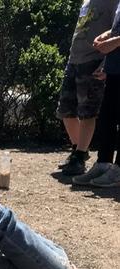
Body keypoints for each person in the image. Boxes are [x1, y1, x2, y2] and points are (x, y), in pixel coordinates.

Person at [56, 0, 118, 177]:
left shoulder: (113, 2)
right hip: (74, 60)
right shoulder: (86, 1)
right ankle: (78, 150)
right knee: (65, 111)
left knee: (87, 111)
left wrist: (107, 63)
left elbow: (115, 30)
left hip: (94, 61)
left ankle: (80, 155)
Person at [74, 0, 120, 186]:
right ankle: (103, 164)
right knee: (107, 117)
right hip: (116, 66)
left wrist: (115, 41)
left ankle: (118, 170)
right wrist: (107, 35)